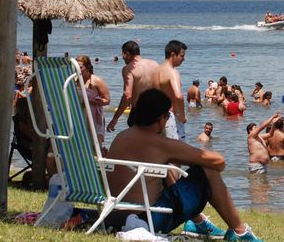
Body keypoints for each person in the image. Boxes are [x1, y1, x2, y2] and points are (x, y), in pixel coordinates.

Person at [106, 89, 262, 241]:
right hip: (148, 219)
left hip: (114, 216)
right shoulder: (160, 144)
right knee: (208, 170)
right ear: (161, 118)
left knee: (166, 171)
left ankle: (199, 222)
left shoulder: (121, 137)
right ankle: (240, 232)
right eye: (167, 116)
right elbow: (219, 161)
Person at [107, 40, 159, 133]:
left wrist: (115, 119)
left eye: (122, 54)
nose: (122, 58)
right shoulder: (154, 64)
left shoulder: (129, 69)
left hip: (140, 113)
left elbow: (127, 95)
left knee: (138, 145)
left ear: (126, 53)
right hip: (157, 111)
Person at [154, 40, 188, 140]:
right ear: (173, 54)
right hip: (171, 116)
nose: (183, 59)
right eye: (182, 56)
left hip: (158, 117)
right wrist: (181, 116)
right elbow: (178, 96)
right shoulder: (173, 72)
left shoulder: (156, 70)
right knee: (179, 152)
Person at [75, 55, 110, 143]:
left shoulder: (96, 81)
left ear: (87, 67)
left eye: (80, 67)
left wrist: (89, 102)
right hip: (79, 117)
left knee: (95, 145)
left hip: (95, 118)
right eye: (75, 67)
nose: (77, 70)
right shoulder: (74, 81)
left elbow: (107, 100)